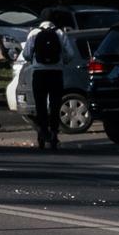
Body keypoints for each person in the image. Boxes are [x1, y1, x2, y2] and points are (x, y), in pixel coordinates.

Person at [14, 19, 75, 152]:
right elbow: (70, 54)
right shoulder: (60, 33)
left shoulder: (34, 33)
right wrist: (61, 61)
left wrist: (34, 60)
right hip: (56, 73)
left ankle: (42, 131)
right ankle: (54, 132)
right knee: (55, 104)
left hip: (39, 73)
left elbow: (26, 54)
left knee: (40, 104)